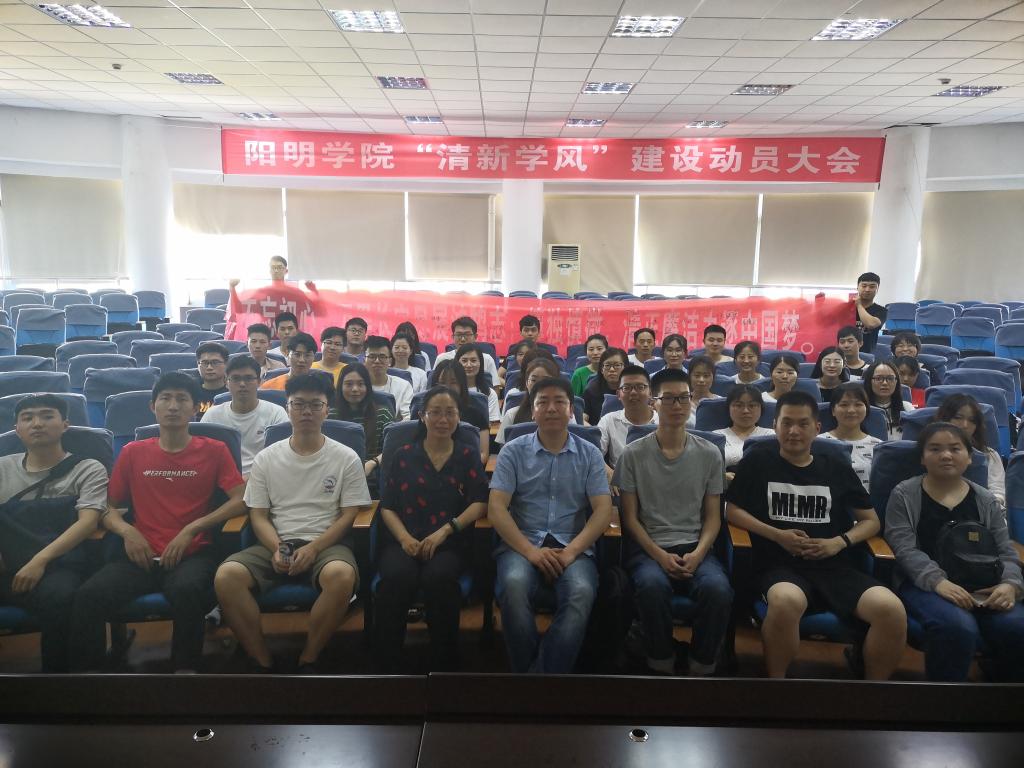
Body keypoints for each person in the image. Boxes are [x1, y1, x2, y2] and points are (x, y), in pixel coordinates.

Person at [725, 390, 907, 679]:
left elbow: (870, 521)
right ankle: (777, 685)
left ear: (817, 428)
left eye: (803, 424)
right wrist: (777, 535)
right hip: (778, 564)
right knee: (786, 602)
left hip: (833, 564)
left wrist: (839, 542)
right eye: (786, 423)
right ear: (775, 426)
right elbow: (732, 511)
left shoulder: (835, 466)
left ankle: (874, 692)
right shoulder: (758, 461)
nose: (793, 431)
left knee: (891, 610)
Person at [70, 372, 245, 673]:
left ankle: (185, 670)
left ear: (196, 408)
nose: (173, 406)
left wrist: (193, 528)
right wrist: (127, 531)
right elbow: (108, 506)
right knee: (89, 595)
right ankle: (91, 675)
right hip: (140, 554)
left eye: (182, 399)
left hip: (192, 553)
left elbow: (241, 499)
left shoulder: (214, 450)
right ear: (153, 407)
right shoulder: (133, 452)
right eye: (165, 399)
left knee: (186, 591)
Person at [215, 373, 371, 673]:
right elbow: (258, 515)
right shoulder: (266, 458)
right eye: (299, 404)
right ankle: (261, 660)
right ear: (287, 408)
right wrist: (280, 548)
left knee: (341, 576)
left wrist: (313, 548)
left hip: (326, 543)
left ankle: (308, 658)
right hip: (275, 541)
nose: (306, 412)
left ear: (327, 410)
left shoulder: (346, 457)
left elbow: (349, 514)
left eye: (315, 405)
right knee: (227, 576)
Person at [489, 376, 613, 673]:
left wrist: (570, 552)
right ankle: (541, 680)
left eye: (559, 402)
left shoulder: (590, 454)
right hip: (521, 545)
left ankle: (538, 679)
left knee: (581, 591)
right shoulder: (513, 451)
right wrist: (531, 552)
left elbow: (602, 511)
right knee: (513, 586)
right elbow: (496, 508)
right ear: (532, 411)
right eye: (542, 402)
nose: (551, 408)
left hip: (573, 546)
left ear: (571, 410)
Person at [885, 422, 1023, 682]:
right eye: (935, 449)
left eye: (955, 449)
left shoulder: (985, 499)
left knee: (1016, 626)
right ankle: (945, 701)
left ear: (969, 457)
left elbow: (1005, 550)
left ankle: (1004, 697)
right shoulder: (905, 494)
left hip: (984, 586)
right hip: (924, 586)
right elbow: (904, 548)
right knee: (957, 627)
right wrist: (939, 582)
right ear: (922, 458)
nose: (946, 455)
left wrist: (1010, 585)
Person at [619, 369, 733, 676]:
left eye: (684, 398)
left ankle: (702, 664)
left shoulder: (710, 454)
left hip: (696, 546)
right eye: (668, 398)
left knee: (718, 590)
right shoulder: (632, 454)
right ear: (653, 402)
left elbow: (713, 517)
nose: (677, 405)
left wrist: (699, 553)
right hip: (648, 548)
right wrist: (659, 555)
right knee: (652, 587)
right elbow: (629, 518)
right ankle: (660, 661)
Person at [374, 386, 488, 673]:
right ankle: (387, 667)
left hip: (450, 542)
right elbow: (387, 506)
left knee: (439, 578)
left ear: (459, 417)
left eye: (450, 413)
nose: (443, 419)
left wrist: (446, 530)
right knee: (397, 577)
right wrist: (404, 538)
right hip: (403, 540)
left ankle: (444, 664)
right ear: (422, 416)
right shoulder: (403, 455)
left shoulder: (467, 455)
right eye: (435, 412)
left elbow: (480, 502)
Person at [0, 395, 107, 672]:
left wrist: (39, 561)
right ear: (17, 429)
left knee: (61, 598)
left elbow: (87, 523)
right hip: (7, 564)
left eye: (47, 416)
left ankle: (58, 682)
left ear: (65, 425)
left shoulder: (87, 468)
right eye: (28, 418)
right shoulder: (2, 467)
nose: (37, 423)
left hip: (60, 565)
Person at [202, 355, 288, 478]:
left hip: (264, 478)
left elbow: (282, 457)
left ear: (259, 382)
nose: (242, 384)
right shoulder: (212, 415)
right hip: (223, 479)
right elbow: (204, 457)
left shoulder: (276, 413)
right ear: (226, 382)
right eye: (236, 378)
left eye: (248, 378)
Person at [935, 394, 1006, 510]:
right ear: (945, 419)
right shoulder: (928, 452)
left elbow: (997, 491)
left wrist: (989, 506)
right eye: (958, 417)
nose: (965, 425)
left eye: (972, 420)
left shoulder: (988, 455)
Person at [335, 363, 396, 483]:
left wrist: (373, 463)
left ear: (368, 387)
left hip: (372, 476)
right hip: (337, 475)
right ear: (340, 387)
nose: (355, 389)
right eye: (348, 384)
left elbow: (392, 447)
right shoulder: (330, 415)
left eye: (360, 384)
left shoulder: (383, 413)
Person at [820, 382, 882, 493]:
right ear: (833, 410)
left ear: (866, 409)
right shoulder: (819, 442)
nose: (851, 410)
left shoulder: (878, 447)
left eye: (858, 404)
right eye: (844, 405)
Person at [597, 364, 658, 471]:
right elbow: (594, 454)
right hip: (620, 477)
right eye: (626, 388)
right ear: (618, 394)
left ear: (650, 393)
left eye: (640, 387)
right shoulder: (608, 420)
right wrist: (611, 473)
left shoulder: (663, 421)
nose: (633, 392)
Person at [430, 360, 489, 464]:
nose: (447, 387)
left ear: (462, 385)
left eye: (453, 382)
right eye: (442, 383)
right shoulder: (426, 415)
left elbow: (483, 454)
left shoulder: (476, 415)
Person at [713, 385, 773, 481]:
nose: (745, 411)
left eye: (752, 406)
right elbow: (706, 470)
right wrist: (721, 476)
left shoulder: (771, 435)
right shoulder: (715, 437)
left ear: (761, 408)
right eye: (738, 405)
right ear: (728, 408)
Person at [496, 358, 562, 444]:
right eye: (534, 380)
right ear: (527, 383)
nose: (539, 385)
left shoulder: (565, 415)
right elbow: (503, 449)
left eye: (545, 380)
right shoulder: (512, 415)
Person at [436, 317, 501, 385]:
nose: (463, 339)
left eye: (467, 335)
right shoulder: (442, 359)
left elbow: (495, 387)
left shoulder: (487, 359)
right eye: (459, 335)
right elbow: (434, 385)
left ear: (475, 337)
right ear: (453, 337)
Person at [365, 335, 413, 421]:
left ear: (390, 361)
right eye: (372, 356)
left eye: (382, 357)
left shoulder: (403, 386)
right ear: (364, 360)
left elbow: (408, 417)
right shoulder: (357, 386)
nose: (377, 361)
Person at [863, 360, 914, 439]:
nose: (885, 383)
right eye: (878, 378)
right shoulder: (862, 408)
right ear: (869, 382)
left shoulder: (907, 408)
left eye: (890, 378)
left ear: (896, 382)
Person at [582, 347, 627, 426]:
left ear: (625, 368)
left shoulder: (633, 390)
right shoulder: (591, 390)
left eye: (617, 365)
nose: (612, 369)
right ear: (602, 369)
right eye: (607, 365)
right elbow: (582, 418)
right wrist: (593, 430)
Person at [455, 343, 499, 422]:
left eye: (473, 360)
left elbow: (493, 424)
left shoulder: (489, 393)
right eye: (464, 361)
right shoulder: (450, 391)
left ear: (480, 363)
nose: (469, 365)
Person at [853, 272, 886, 354]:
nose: (867, 289)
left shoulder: (881, 310)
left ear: (877, 289)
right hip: (843, 354)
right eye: (864, 286)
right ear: (857, 287)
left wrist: (859, 305)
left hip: (867, 355)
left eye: (872, 286)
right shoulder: (846, 308)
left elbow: (871, 324)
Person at [194, 341, 229, 416]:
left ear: (226, 364)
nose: (209, 367)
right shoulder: (190, 392)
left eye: (215, 362)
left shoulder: (233, 392)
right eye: (205, 363)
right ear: (198, 365)